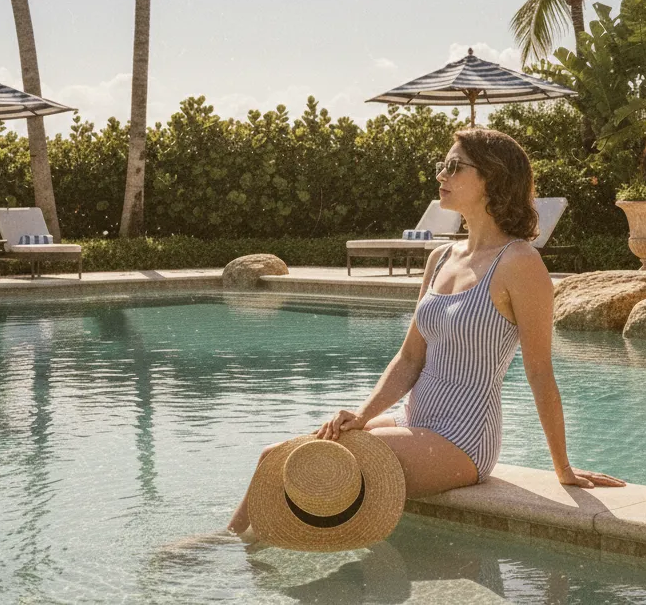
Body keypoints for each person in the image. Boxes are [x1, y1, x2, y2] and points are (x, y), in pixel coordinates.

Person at [228, 127, 622, 537]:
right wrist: (364, 415)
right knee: (275, 457)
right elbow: (410, 358)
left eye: (455, 167)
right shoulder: (440, 258)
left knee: (333, 462)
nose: (441, 176)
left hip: (463, 439)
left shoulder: (520, 264)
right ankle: (223, 548)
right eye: (442, 166)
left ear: (494, 178)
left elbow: (539, 372)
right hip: (412, 422)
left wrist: (562, 467)